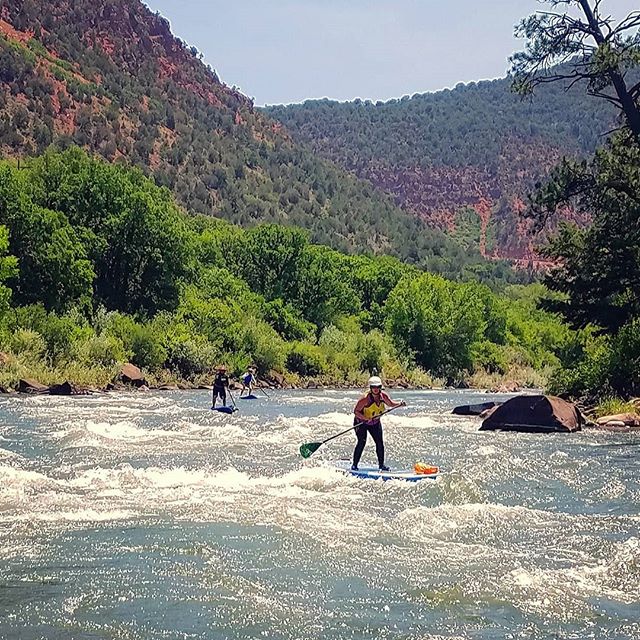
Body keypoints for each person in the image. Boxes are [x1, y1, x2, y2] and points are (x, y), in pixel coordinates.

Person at [352, 375, 405, 471]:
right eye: (373, 387)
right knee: (362, 442)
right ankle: (354, 465)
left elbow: (390, 404)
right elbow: (356, 411)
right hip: (361, 423)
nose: (376, 389)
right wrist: (365, 418)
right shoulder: (365, 399)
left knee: (379, 443)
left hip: (375, 423)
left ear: (380, 387)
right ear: (370, 388)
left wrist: (399, 404)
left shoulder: (383, 396)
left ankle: (381, 465)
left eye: (378, 387)